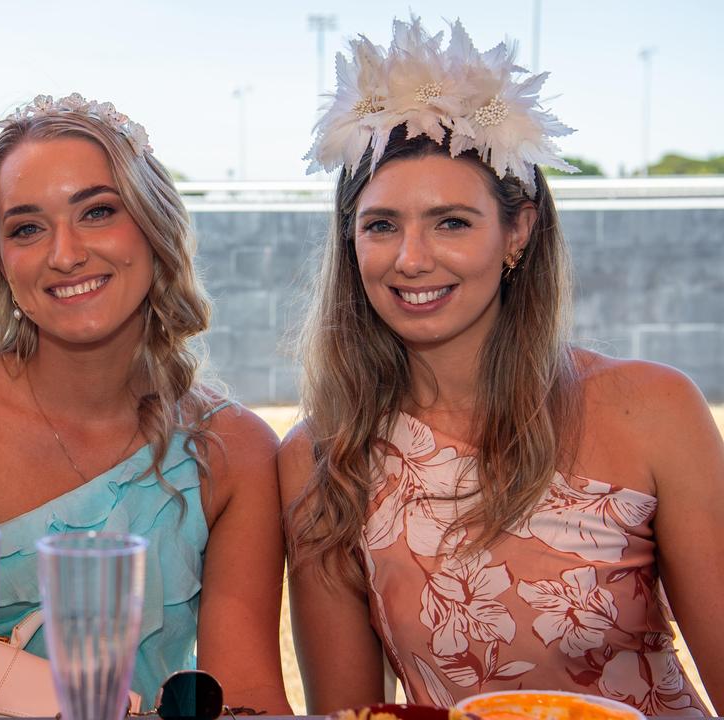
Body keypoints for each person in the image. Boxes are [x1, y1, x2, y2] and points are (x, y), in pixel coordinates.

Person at [280, 17, 722, 715]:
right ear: (351, 240)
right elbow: (350, 715)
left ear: (518, 230)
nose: (412, 258)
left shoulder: (655, 409)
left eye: (452, 221)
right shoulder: (321, 455)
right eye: (381, 225)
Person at [0, 93, 291, 713]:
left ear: (155, 229)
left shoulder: (235, 451)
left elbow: (247, 694)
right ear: (0, 261)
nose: (65, 253)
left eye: (97, 212)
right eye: (26, 227)